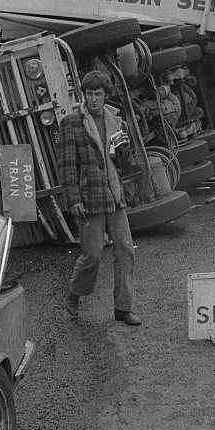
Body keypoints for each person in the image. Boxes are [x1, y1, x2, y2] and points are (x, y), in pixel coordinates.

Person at [57, 70, 141, 326]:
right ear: (84, 95)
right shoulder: (71, 123)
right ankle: (74, 295)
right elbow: (67, 165)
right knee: (92, 255)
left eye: (98, 94)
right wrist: (73, 198)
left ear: (106, 95)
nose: (93, 99)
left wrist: (124, 150)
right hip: (89, 196)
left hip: (114, 196)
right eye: (89, 94)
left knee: (126, 250)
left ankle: (123, 308)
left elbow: (127, 163)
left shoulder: (117, 121)